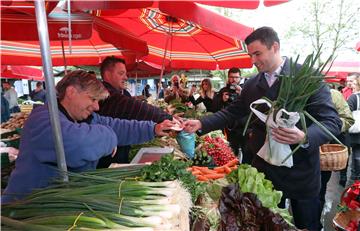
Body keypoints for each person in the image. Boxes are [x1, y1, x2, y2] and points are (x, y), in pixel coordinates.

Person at [184, 27, 341, 231]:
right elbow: (232, 112)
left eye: (257, 53)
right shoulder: (252, 84)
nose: (253, 61)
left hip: (301, 173)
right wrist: (202, 124)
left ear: (274, 47)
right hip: (267, 173)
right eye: (250, 55)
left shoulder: (307, 77)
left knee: (306, 224)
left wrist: (304, 136)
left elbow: (332, 121)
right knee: (268, 223)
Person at [2, 70, 174, 203]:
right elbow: (78, 146)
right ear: (71, 92)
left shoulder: (83, 117)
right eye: (92, 99)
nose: (97, 107)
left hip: (59, 203)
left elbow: (116, 126)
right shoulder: (44, 118)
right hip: (25, 211)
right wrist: (108, 137)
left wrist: (153, 128)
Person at [97, 56, 173, 166]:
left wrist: (155, 127)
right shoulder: (105, 94)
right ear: (108, 74)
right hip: (106, 158)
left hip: (119, 150)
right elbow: (135, 108)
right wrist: (167, 118)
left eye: (125, 74)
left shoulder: (122, 93)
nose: (126, 77)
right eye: (121, 73)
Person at [319, 88, 354, 222]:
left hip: (325, 153)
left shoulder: (333, 94)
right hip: (295, 156)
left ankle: (316, 222)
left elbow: (348, 118)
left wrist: (327, 130)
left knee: (319, 190)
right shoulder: (291, 93)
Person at [213, 67, 250, 162]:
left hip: (243, 126)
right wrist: (222, 100)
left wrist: (242, 94)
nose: (234, 79)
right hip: (229, 127)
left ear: (240, 77)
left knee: (245, 151)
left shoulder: (245, 89)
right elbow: (215, 108)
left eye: (236, 77)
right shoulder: (223, 90)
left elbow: (251, 106)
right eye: (231, 77)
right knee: (230, 151)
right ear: (228, 78)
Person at [347, 73, 360, 182]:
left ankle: (355, 180)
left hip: (356, 132)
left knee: (356, 155)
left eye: (354, 83)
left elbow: (346, 113)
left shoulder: (353, 97)